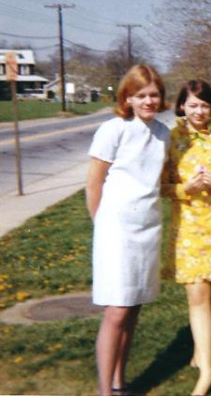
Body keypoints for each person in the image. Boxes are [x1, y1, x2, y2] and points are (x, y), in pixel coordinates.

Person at [86, 64, 171, 396]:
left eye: (154, 95)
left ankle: (121, 382)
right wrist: (103, 226)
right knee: (117, 310)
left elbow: (159, 181)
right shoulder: (113, 129)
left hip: (148, 227)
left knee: (134, 305)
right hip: (116, 230)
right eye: (141, 95)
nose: (149, 101)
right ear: (128, 97)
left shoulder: (163, 133)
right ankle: (105, 390)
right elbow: (94, 184)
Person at [160, 79, 211, 396]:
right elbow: (162, 186)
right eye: (193, 104)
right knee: (196, 296)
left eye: (205, 105)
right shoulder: (172, 138)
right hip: (189, 227)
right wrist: (185, 189)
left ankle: (200, 351)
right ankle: (208, 371)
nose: (199, 111)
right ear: (181, 106)